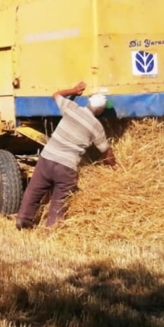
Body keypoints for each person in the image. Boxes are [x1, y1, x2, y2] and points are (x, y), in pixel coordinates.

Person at [16, 81, 114, 230]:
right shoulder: (96, 126)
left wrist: (74, 90)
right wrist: (112, 165)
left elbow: (55, 95)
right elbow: (105, 150)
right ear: (100, 111)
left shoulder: (71, 108)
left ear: (88, 102)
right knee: (59, 199)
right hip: (66, 166)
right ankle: (51, 230)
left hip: (47, 158)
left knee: (34, 190)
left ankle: (23, 220)